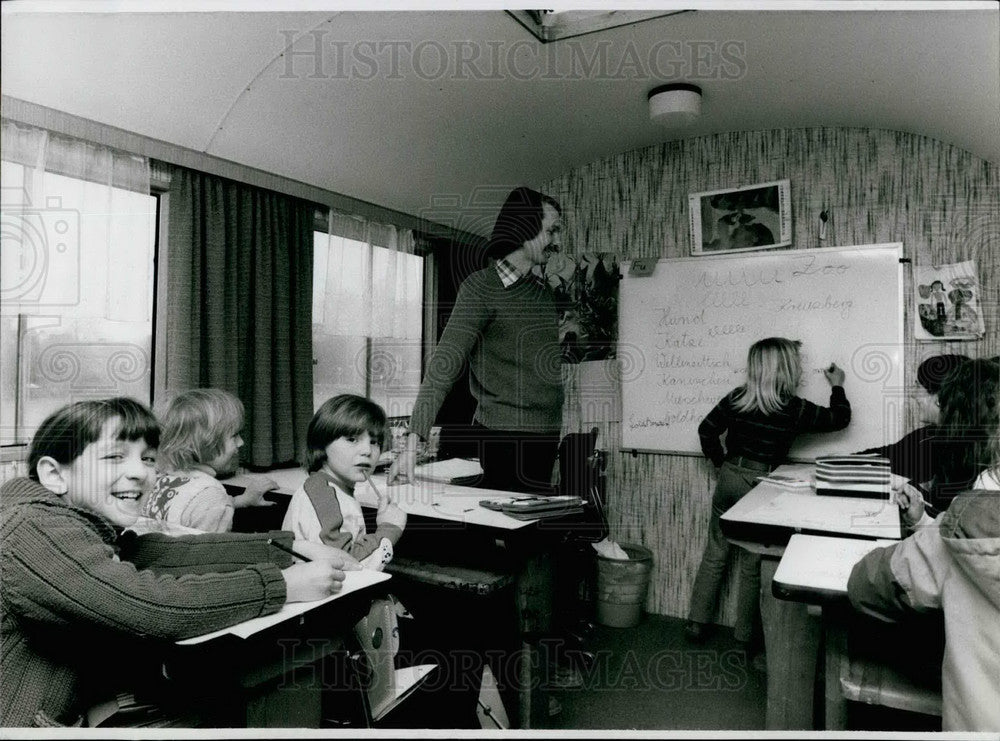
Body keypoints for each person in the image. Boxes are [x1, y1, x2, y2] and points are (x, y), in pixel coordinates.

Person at [0, 397, 357, 728]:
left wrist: (289, 548)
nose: (139, 472)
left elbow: (160, 553)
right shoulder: (32, 529)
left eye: (148, 458)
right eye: (114, 457)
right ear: (54, 474)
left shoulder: (71, 519)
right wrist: (283, 586)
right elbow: (150, 604)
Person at [388, 186, 565, 494]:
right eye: (552, 231)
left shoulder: (543, 294)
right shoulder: (480, 288)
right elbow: (443, 366)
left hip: (547, 433)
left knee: (532, 527)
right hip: (503, 435)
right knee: (514, 532)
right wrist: (412, 443)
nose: (557, 242)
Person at [847, 393, 1000, 731]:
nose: (916, 397)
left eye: (924, 390)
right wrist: (923, 521)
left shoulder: (964, 518)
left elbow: (867, 583)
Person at [686, 337, 851, 644]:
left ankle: (696, 623)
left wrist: (721, 462)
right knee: (752, 561)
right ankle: (745, 635)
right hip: (761, 484)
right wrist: (837, 385)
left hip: (731, 476)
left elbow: (706, 429)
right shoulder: (794, 409)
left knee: (715, 552)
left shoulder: (738, 398)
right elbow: (840, 419)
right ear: (786, 369)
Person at [282, 394, 406, 569]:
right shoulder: (323, 496)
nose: (367, 451)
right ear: (321, 442)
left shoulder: (332, 488)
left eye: (375, 442)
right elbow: (348, 565)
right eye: (352, 439)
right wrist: (388, 529)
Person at [141, 388, 277, 532]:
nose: (241, 442)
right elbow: (208, 550)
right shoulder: (212, 496)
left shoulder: (159, 477)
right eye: (234, 436)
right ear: (205, 444)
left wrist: (240, 501)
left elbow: (190, 506)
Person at [857, 354, 969, 487]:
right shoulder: (929, 434)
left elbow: (940, 505)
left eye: (918, 387)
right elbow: (885, 456)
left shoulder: (943, 447)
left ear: (940, 397)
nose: (912, 394)